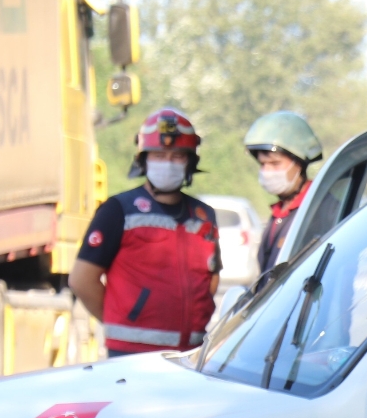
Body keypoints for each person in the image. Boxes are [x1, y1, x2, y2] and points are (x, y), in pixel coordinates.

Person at [69, 108, 220, 356]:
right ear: (143, 160)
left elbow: (210, 279)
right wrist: (120, 320)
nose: (167, 163)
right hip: (131, 356)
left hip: (190, 355)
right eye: (159, 155)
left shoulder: (204, 216)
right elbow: (82, 280)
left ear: (190, 162)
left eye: (177, 156)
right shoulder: (117, 210)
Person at [246, 111, 324, 273]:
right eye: (263, 164)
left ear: (300, 163)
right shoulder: (278, 212)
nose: (267, 172)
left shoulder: (320, 209)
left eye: (275, 164)